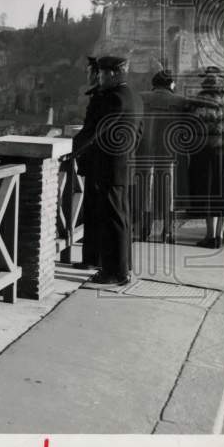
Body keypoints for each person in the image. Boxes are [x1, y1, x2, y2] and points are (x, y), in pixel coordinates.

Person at [70, 55, 143, 285]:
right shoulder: (133, 96)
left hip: (110, 165)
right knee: (117, 217)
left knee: (114, 220)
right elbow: (139, 133)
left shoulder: (115, 98)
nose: (98, 78)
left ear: (112, 73)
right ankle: (114, 266)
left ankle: (116, 273)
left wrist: (71, 151)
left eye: (101, 73)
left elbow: (95, 131)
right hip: (120, 164)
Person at [135, 69, 193, 242]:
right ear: (171, 84)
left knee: (146, 189)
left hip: (144, 151)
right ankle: (167, 231)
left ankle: (144, 228)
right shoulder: (181, 101)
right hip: (170, 151)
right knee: (169, 192)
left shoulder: (140, 98)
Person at [69, 57, 103, 269]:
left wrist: (72, 150)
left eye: (89, 72)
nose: (87, 76)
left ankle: (91, 260)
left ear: (97, 74)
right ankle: (92, 258)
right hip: (100, 161)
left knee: (93, 212)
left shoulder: (100, 97)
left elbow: (90, 130)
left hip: (97, 161)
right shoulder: (104, 95)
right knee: (93, 211)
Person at [188, 74, 224, 248]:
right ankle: (219, 236)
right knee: (223, 194)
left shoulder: (199, 101)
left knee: (208, 193)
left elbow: (191, 125)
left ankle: (209, 236)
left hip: (204, 153)